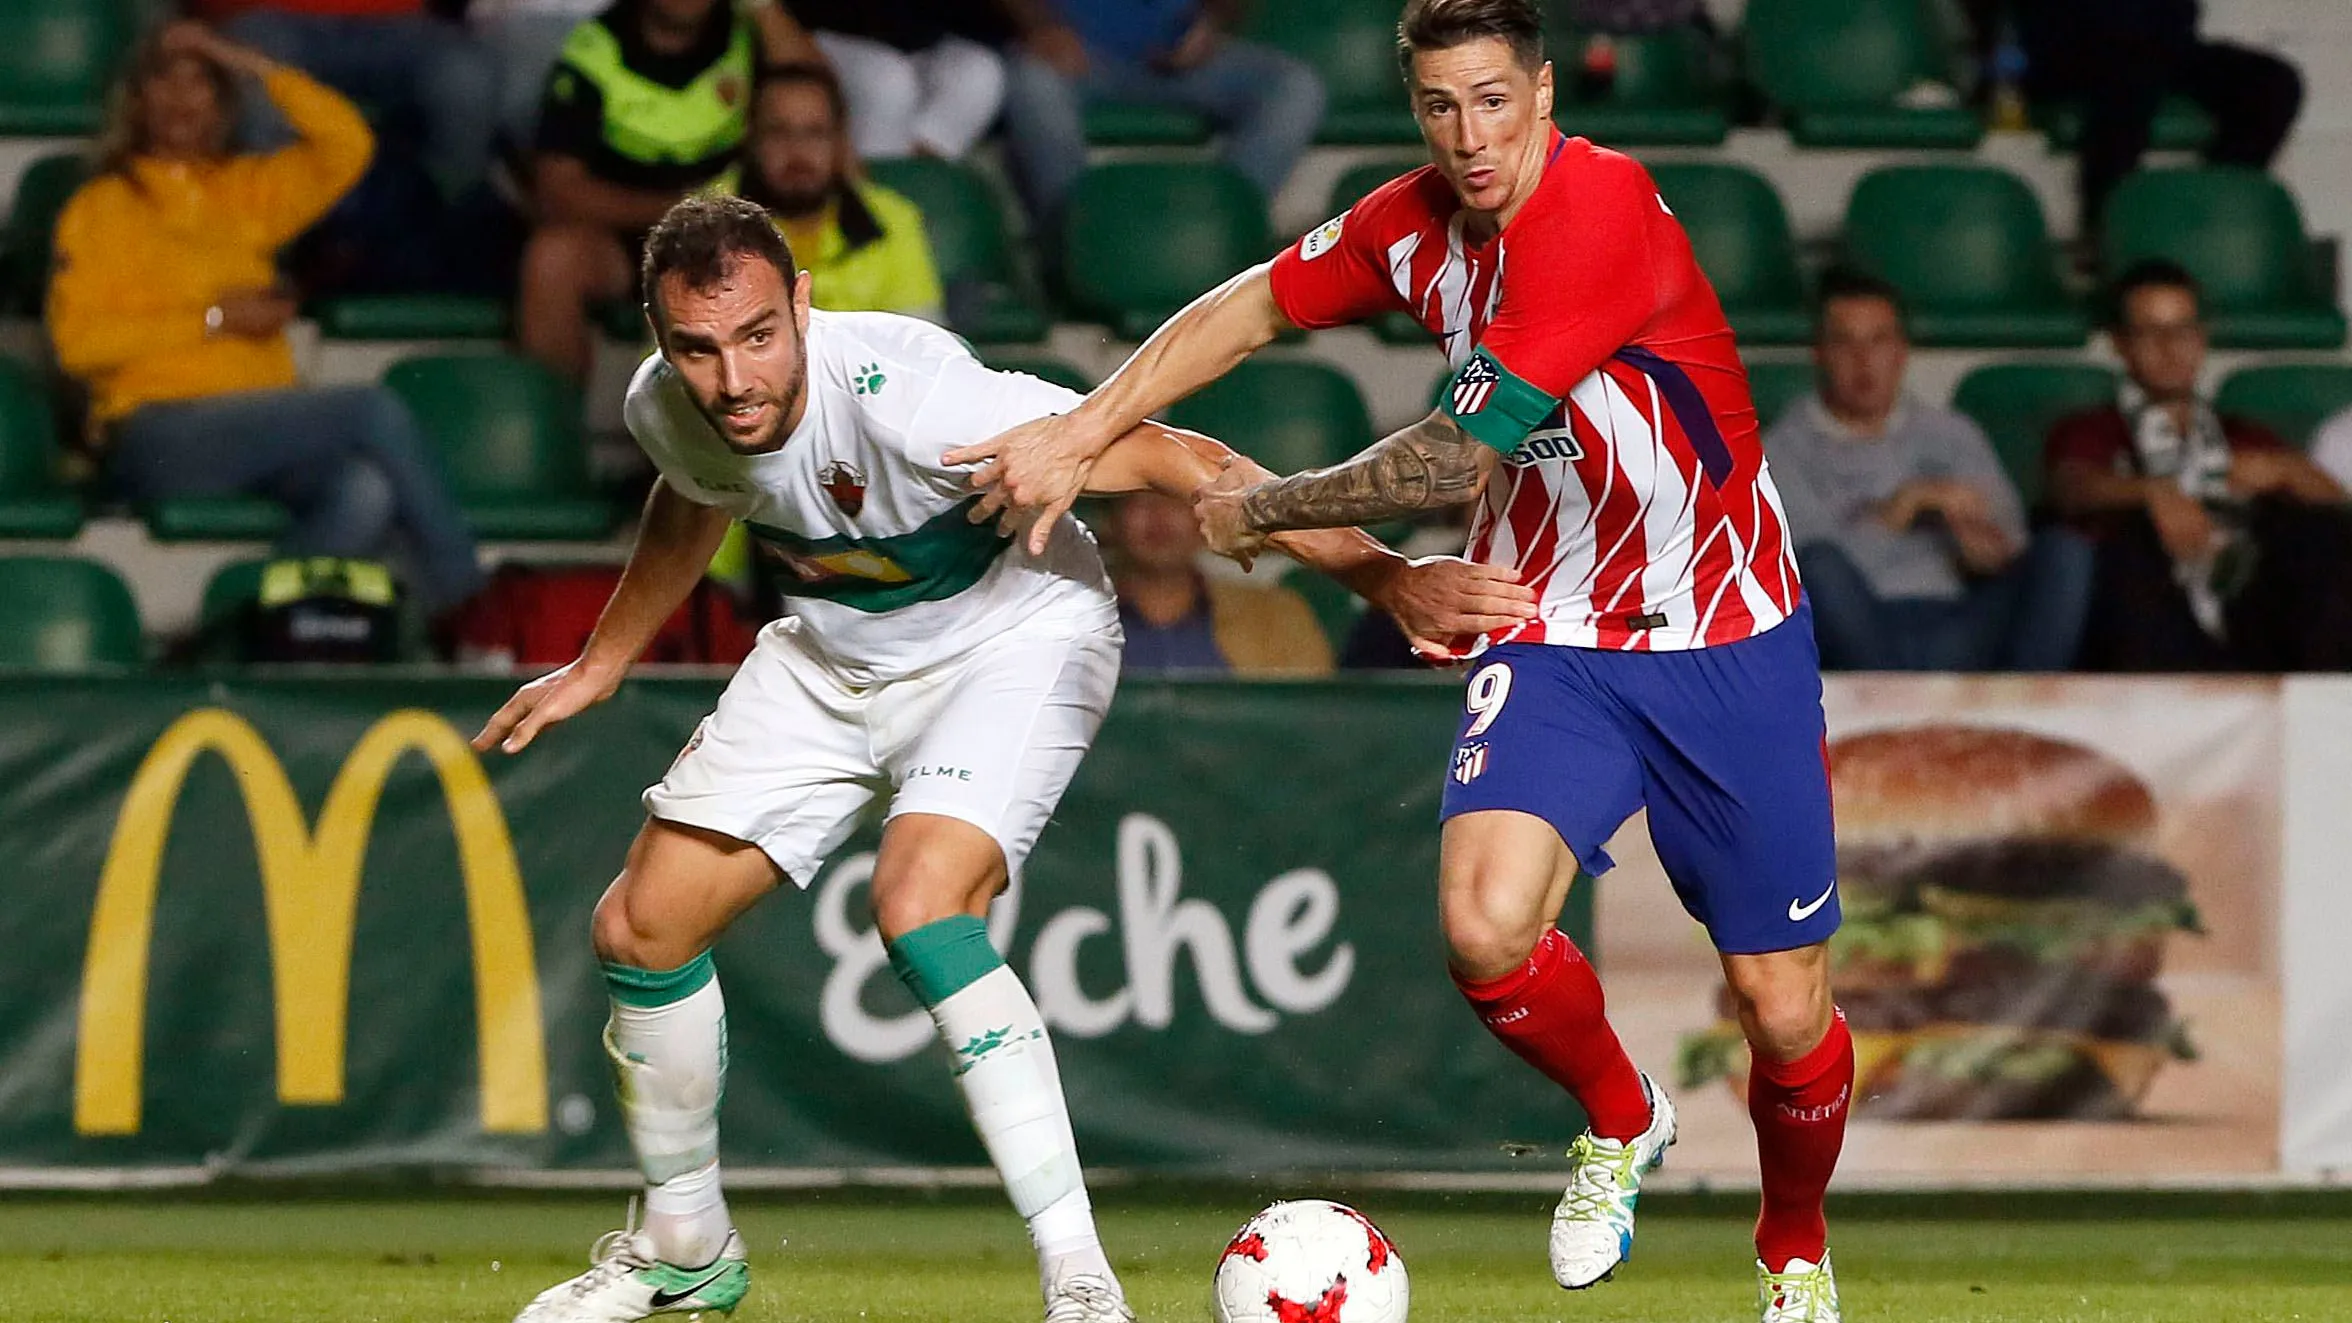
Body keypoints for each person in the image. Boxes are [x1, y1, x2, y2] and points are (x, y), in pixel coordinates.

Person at [473, 194, 1524, 1323]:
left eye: (759, 336)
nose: (733, 380)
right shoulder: (668, 409)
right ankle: (684, 1246)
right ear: (662, 340)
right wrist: (602, 661)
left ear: (804, 307)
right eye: (699, 348)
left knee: (921, 904)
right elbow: (696, 497)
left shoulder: (922, 402)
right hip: (833, 657)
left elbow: (1188, 459)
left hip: (1015, 634)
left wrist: (1387, 579)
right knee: (640, 926)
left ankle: (1080, 1281)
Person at [950, 2, 1850, 1317]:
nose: (1470, 134)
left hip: (1729, 635)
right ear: (1415, 108)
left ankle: (1793, 1249)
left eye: (1494, 99)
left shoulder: (1598, 213)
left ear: (1543, 94)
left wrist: (1257, 507)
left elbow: (1449, 459)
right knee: (1485, 929)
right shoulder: (1410, 222)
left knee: (1782, 1010)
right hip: (1546, 615)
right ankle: (1622, 1111)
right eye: (1441, 105)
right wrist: (1090, 425)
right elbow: (1250, 305)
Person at [48, 21, 484, 618]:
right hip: (155, 431)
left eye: (200, 83)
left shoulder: (246, 192)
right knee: (369, 409)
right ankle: (475, 612)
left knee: (365, 491)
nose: (181, 99)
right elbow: (77, 345)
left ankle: (245, 635)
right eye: (164, 82)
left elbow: (347, 143)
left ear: (224, 102)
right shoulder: (98, 209)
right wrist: (214, 318)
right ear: (136, 99)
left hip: (262, 423)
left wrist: (245, 62)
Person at [1768, 269, 2093, 672]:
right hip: (1860, 632)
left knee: (2065, 552)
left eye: (1878, 341)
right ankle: (1892, 712)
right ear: (1819, 354)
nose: (1864, 360)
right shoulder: (1781, 449)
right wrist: (1901, 507)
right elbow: (1803, 577)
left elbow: (2012, 538)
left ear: (1902, 352)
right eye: (1844, 343)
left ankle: (2025, 716)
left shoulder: (1951, 433)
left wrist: (1983, 547)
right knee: (1819, 566)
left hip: (1962, 620)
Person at [2047, 260, 2352, 671]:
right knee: (2132, 541)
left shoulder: (2239, 431)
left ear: (2202, 337)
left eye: (2184, 330)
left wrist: (2288, 470)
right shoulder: (2095, 428)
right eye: (2150, 333)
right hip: (2146, 620)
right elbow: (2072, 488)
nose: (2171, 348)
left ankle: (2324, 710)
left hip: (2250, 620)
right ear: (2120, 344)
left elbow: (2335, 509)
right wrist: (2152, 493)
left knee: (2317, 535)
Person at [518, 0, 819, 381]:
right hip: (631, 242)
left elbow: (820, 99)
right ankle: (552, 426)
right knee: (552, 259)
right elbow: (556, 190)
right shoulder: (595, 50)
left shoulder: (747, 34)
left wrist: (762, 7)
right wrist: (683, 212)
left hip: (744, 232)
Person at [995, 0, 1326, 232]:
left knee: (1294, 86)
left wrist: (1210, 24)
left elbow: (1227, 7)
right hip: (1079, 56)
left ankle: (1217, 227)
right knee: (1030, 79)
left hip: (1176, 58)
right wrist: (1039, 26)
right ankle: (1076, 238)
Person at [2016, 0, 2301, 235]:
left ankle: (2215, 212)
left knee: (2274, 82)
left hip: (2160, 48)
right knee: (2132, 74)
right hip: (2068, 53)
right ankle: (2108, 228)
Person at [206, 0, 499, 202]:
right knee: (261, 94)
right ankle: (270, 240)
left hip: (401, 23)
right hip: (277, 18)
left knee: (465, 77)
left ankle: (449, 218)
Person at [717, 64, 944, 318]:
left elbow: (920, 342)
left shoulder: (892, 220)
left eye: (815, 133)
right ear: (751, 139)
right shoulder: (705, 225)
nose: (798, 151)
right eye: (779, 132)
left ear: (840, 142)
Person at [1110, 490, 1333, 674]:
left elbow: (1314, 716)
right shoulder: (1076, 615)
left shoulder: (1278, 616)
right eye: (1139, 501)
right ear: (1111, 520)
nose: (1159, 516)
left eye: (1175, 501)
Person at [792, 0, 1007, 160]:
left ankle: (913, 185)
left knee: (980, 74)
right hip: (826, 34)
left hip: (914, 40)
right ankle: (874, 199)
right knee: (889, 85)